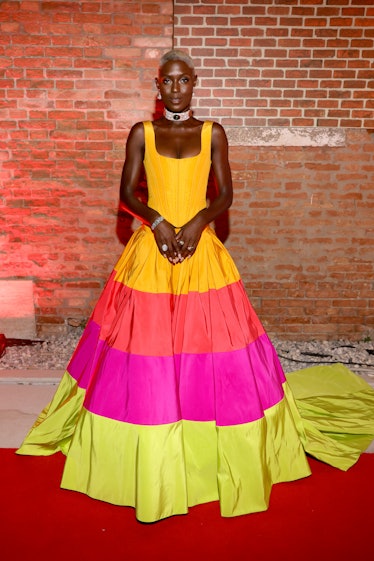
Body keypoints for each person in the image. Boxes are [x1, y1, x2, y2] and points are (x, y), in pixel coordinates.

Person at [16, 50, 374, 523]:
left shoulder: (213, 133)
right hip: (151, 251)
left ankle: (205, 434)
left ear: (195, 83)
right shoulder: (141, 133)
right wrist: (159, 223)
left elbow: (224, 192)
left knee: (211, 349)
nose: (176, 88)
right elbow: (126, 195)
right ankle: (155, 435)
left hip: (201, 251)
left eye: (184, 81)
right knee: (146, 352)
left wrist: (200, 222)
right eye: (168, 81)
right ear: (158, 86)